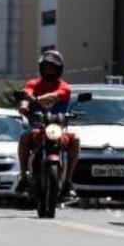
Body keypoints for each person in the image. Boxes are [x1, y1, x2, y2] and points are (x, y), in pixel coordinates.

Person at [16, 50, 80, 197]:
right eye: (46, 67)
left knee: (75, 139)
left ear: (59, 69)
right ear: (41, 68)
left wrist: (36, 100)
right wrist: (24, 105)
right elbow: (27, 94)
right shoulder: (33, 84)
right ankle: (24, 176)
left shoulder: (64, 87)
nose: (49, 70)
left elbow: (53, 97)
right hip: (37, 127)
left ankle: (68, 181)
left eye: (52, 67)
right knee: (24, 137)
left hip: (58, 128)